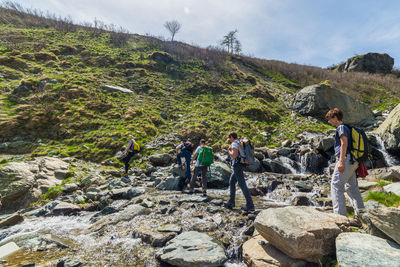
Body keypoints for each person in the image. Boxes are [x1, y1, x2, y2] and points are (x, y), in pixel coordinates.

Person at [326, 108, 365, 216]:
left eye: (329, 119)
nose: (329, 121)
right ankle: (362, 215)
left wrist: (341, 161)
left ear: (335, 117)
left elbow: (344, 144)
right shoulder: (347, 127)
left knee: (336, 185)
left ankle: (340, 216)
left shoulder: (341, 127)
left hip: (346, 159)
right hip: (353, 161)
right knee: (352, 188)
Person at [225, 132, 255, 212]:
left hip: (237, 165)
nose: (229, 140)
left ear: (231, 137)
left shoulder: (234, 143)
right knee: (232, 182)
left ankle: (250, 205)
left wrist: (229, 151)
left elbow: (234, 155)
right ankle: (231, 202)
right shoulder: (239, 142)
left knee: (242, 185)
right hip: (240, 165)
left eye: (229, 138)